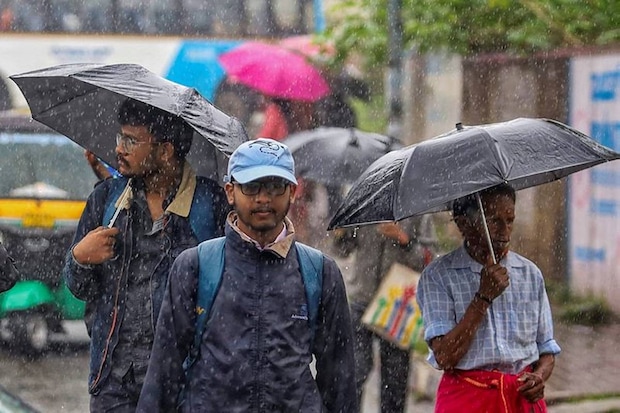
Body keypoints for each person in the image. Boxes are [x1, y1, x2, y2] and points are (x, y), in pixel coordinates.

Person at [137, 138, 357, 412]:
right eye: (251, 187)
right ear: (230, 191)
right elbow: (163, 372)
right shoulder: (194, 266)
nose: (263, 198)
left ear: (292, 191)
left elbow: (340, 380)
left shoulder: (320, 272)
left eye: (275, 187)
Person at [62, 98, 230, 412]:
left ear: (165, 150)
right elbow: (79, 288)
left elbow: (228, 289)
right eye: (119, 138)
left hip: (185, 381)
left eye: (131, 140)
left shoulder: (210, 204)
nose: (119, 149)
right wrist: (80, 258)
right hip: (114, 379)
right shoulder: (106, 200)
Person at [416, 183, 561, 412]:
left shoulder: (530, 274)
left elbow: (546, 350)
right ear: (464, 223)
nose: (505, 231)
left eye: (510, 220)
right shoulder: (438, 277)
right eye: (494, 221)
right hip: (467, 401)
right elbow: (445, 357)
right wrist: (482, 298)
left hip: (521, 403)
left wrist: (539, 377)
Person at [345, 218, 437, 412]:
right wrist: (342, 234)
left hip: (397, 307)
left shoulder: (417, 210)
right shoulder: (365, 207)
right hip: (361, 299)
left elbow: (429, 259)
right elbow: (343, 250)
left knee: (395, 381)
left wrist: (404, 240)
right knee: (354, 371)